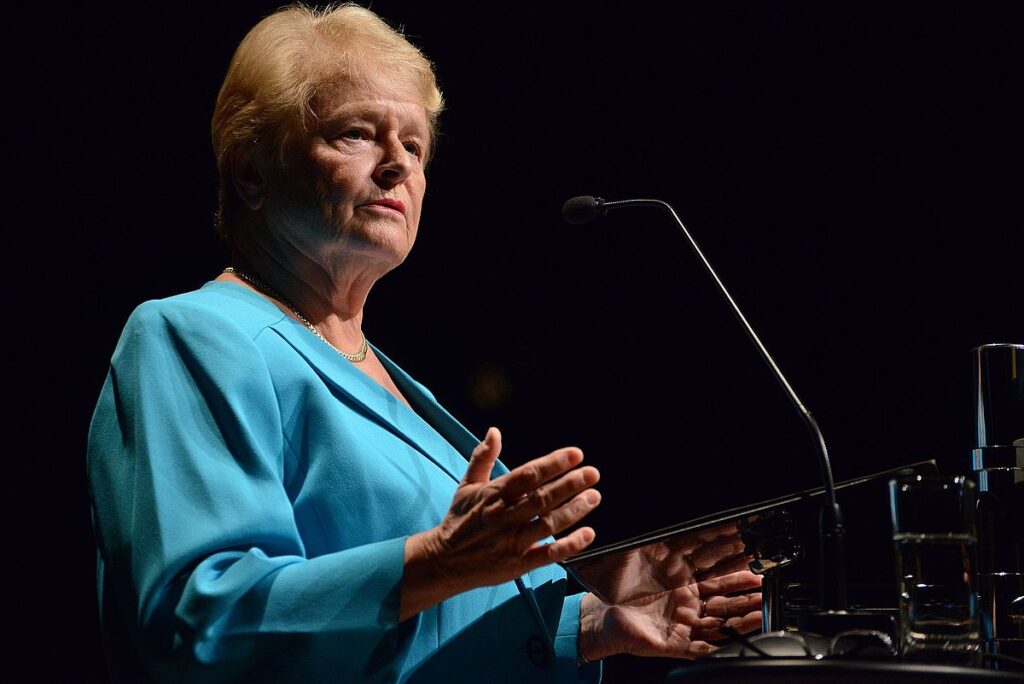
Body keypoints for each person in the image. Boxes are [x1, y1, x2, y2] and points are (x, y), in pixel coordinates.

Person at [87, 4, 761, 682]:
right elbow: (201, 620)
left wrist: (590, 623)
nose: (397, 167)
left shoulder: (398, 384)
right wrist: (438, 561)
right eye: (358, 133)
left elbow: (418, 620)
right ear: (253, 173)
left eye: (413, 146)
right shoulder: (194, 335)